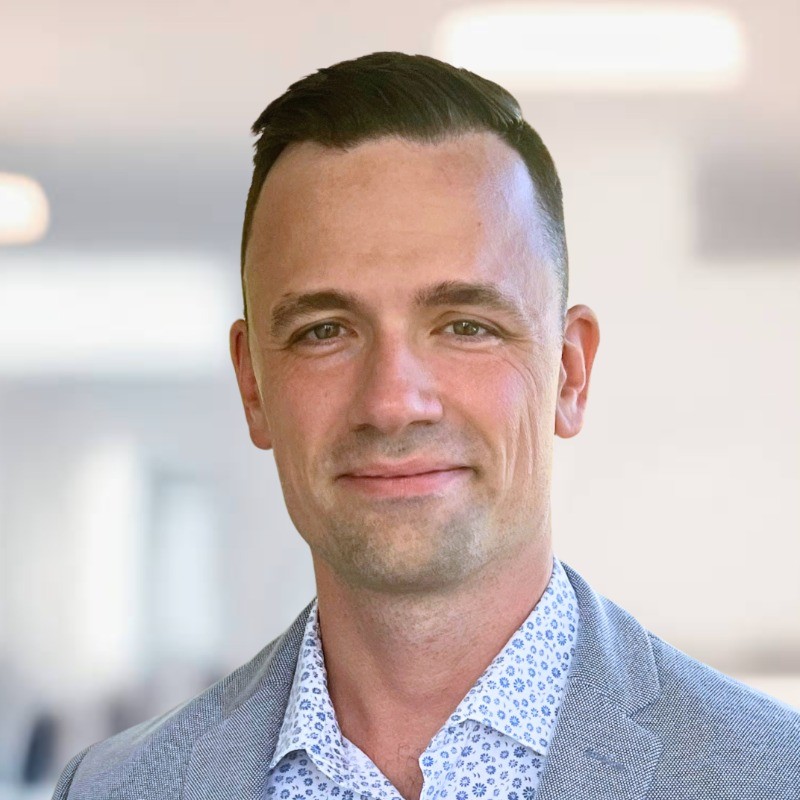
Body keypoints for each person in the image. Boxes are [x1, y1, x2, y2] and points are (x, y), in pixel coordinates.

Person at [53, 51, 799, 800]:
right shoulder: (113, 787)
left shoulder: (774, 775)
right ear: (253, 385)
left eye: (466, 325)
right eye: (325, 331)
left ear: (570, 374)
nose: (393, 402)